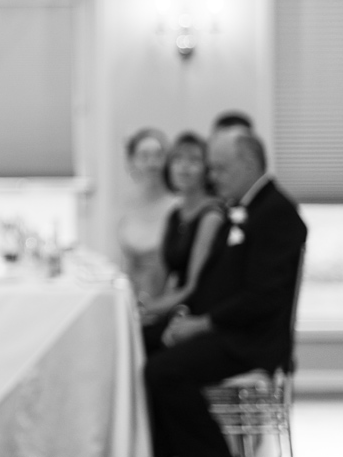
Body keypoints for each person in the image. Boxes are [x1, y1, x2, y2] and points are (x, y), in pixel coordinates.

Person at [143, 129, 307, 457]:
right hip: (226, 326)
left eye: (219, 168)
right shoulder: (239, 208)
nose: (212, 177)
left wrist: (202, 324)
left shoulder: (277, 213)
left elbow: (263, 298)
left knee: (163, 372)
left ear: (248, 164)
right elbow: (212, 284)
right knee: (142, 342)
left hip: (251, 340)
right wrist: (183, 316)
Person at [139, 132, 223, 324]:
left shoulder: (212, 216)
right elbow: (159, 276)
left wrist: (150, 309)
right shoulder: (174, 215)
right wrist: (143, 302)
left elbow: (194, 288)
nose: (184, 167)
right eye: (177, 159)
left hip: (198, 314)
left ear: (207, 170)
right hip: (176, 308)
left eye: (194, 160)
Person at [118, 128, 177, 304]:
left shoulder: (177, 207)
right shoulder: (124, 206)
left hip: (166, 302)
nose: (152, 164)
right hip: (129, 299)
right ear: (132, 162)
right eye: (144, 156)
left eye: (158, 156)